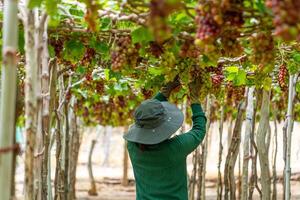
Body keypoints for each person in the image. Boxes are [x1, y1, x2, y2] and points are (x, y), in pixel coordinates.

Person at [123, 77, 207, 200]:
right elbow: (199, 130)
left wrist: (163, 94)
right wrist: (194, 100)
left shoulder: (132, 146)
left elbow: (143, 119)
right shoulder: (176, 148)